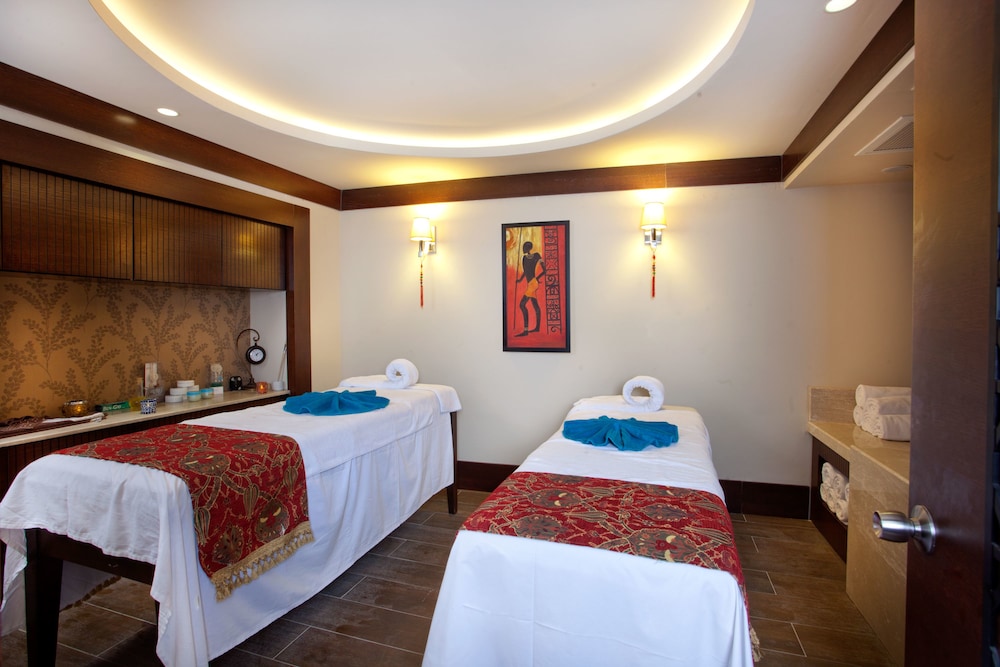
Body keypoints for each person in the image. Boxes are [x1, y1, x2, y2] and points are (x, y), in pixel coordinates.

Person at [515, 241, 546, 336]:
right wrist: (520, 280)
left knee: (522, 305)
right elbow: (526, 272)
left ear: (528, 248)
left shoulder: (536, 255)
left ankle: (525, 331)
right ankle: (537, 328)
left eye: (524, 247)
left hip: (533, 284)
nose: (523, 249)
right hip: (530, 284)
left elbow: (545, 270)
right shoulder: (524, 258)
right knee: (535, 305)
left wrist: (537, 278)